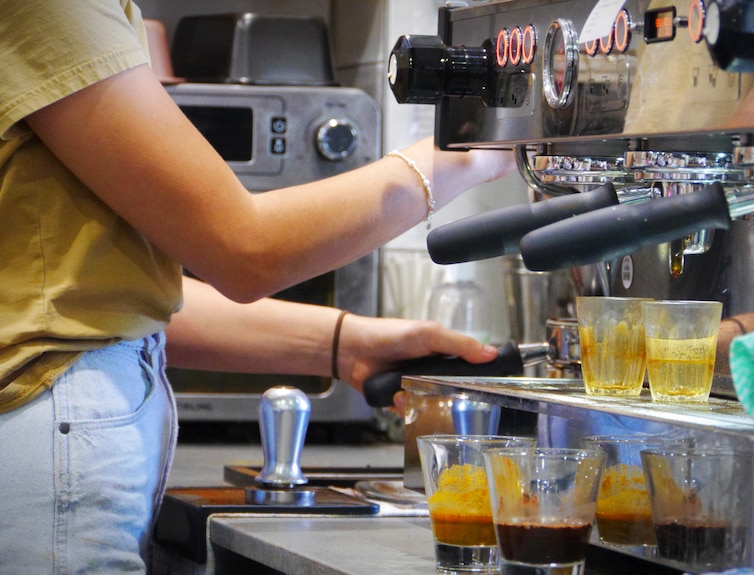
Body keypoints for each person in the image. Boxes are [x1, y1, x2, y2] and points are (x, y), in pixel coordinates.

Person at [0, 1, 516, 573]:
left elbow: (89, 293)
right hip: (41, 449)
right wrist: (468, 151)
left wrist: (342, 344)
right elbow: (245, 248)